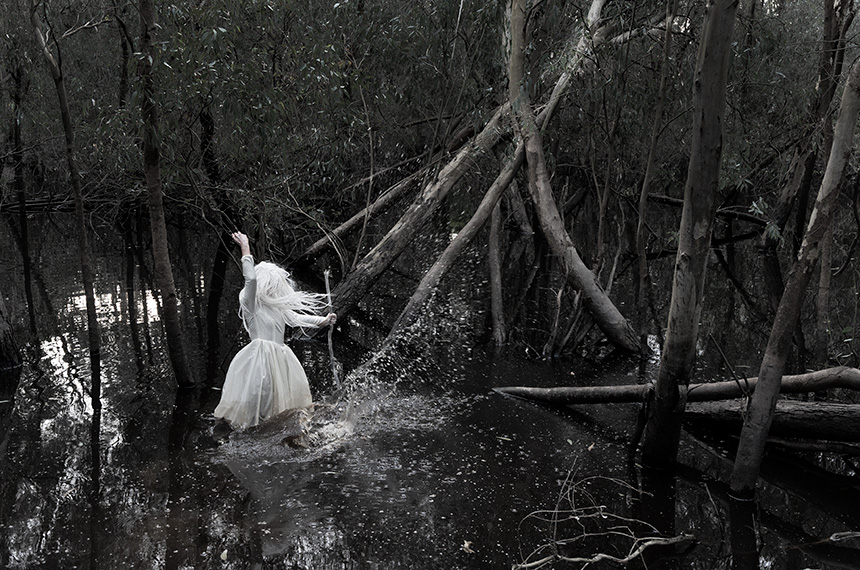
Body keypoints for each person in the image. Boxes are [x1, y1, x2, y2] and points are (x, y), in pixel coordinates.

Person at [214, 232, 336, 429]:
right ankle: (253, 428)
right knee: (260, 397)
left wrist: (323, 320)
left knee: (282, 401)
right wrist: (245, 249)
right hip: (259, 359)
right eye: (271, 284)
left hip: (281, 357)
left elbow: (297, 319)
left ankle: (278, 427)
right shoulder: (251, 304)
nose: (273, 289)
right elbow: (250, 281)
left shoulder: (277, 307)